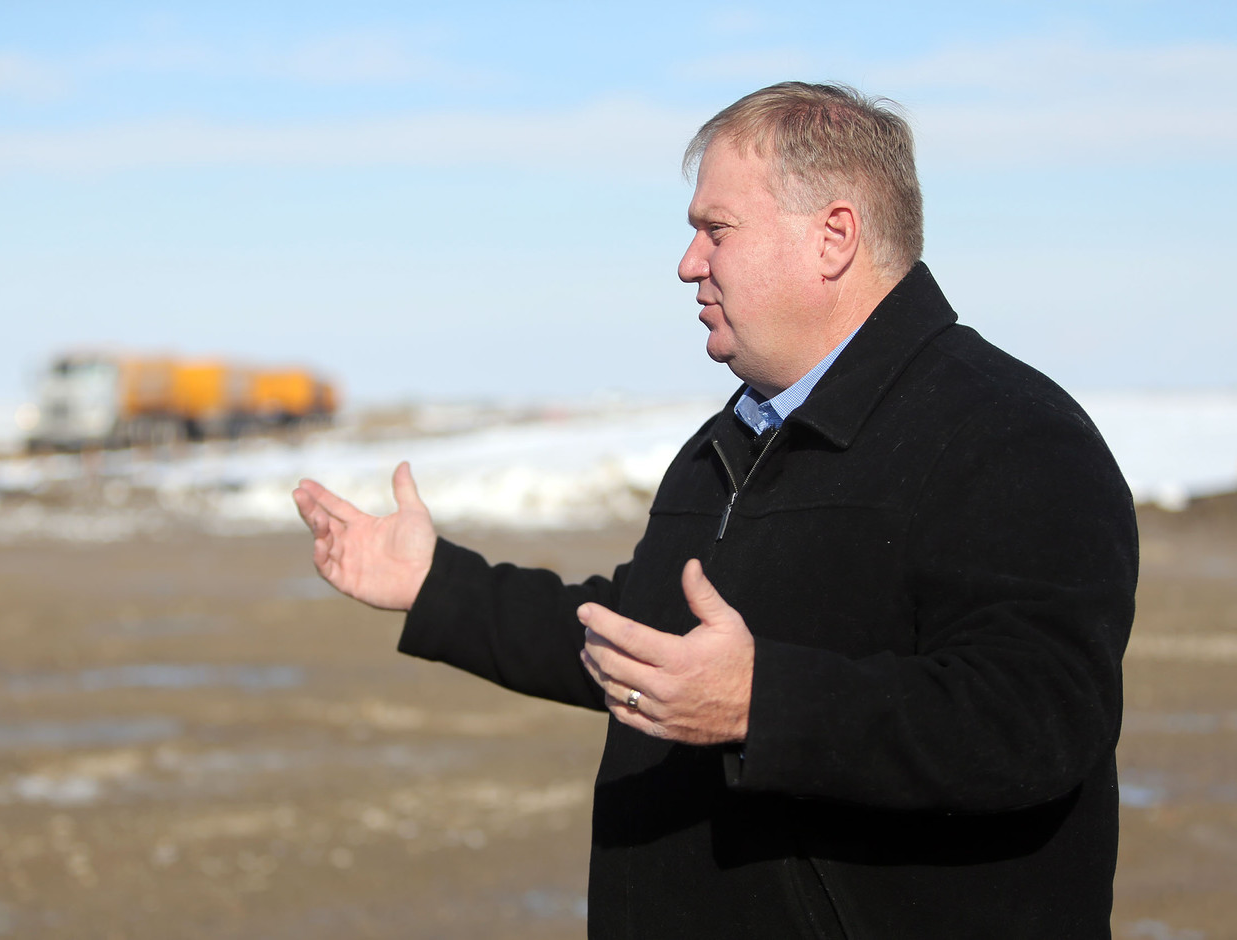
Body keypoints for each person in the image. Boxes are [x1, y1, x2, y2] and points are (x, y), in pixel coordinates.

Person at [293, 82, 1137, 939]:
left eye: (717, 229)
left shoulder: (1008, 432)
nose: (689, 262)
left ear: (834, 236)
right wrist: (435, 585)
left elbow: (1037, 717)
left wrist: (761, 705)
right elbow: (644, 641)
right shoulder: (730, 441)